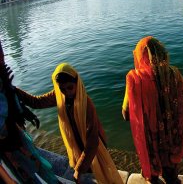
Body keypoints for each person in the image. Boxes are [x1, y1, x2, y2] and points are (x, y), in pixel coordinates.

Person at [15, 63, 123, 184]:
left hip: (92, 146)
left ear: (77, 83)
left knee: (102, 173)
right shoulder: (59, 95)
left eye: (70, 88)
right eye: (62, 89)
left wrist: (79, 170)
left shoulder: (86, 104)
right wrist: (13, 90)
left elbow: (92, 141)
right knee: (86, 174)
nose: (67, 92)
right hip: (77, 143)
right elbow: (36, 102)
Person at [122, 36, 183, 184]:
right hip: (172, 136)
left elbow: (126, 114)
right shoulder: (175, 74)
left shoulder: (135, 79)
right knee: (172, 176)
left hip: (150, 140)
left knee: (151, 177)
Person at [0, 39, 57, 183]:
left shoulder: (8, 87)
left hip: (20, 145)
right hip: (12, 153)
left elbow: (35, 102)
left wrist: (63, 91)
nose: (2, 56)